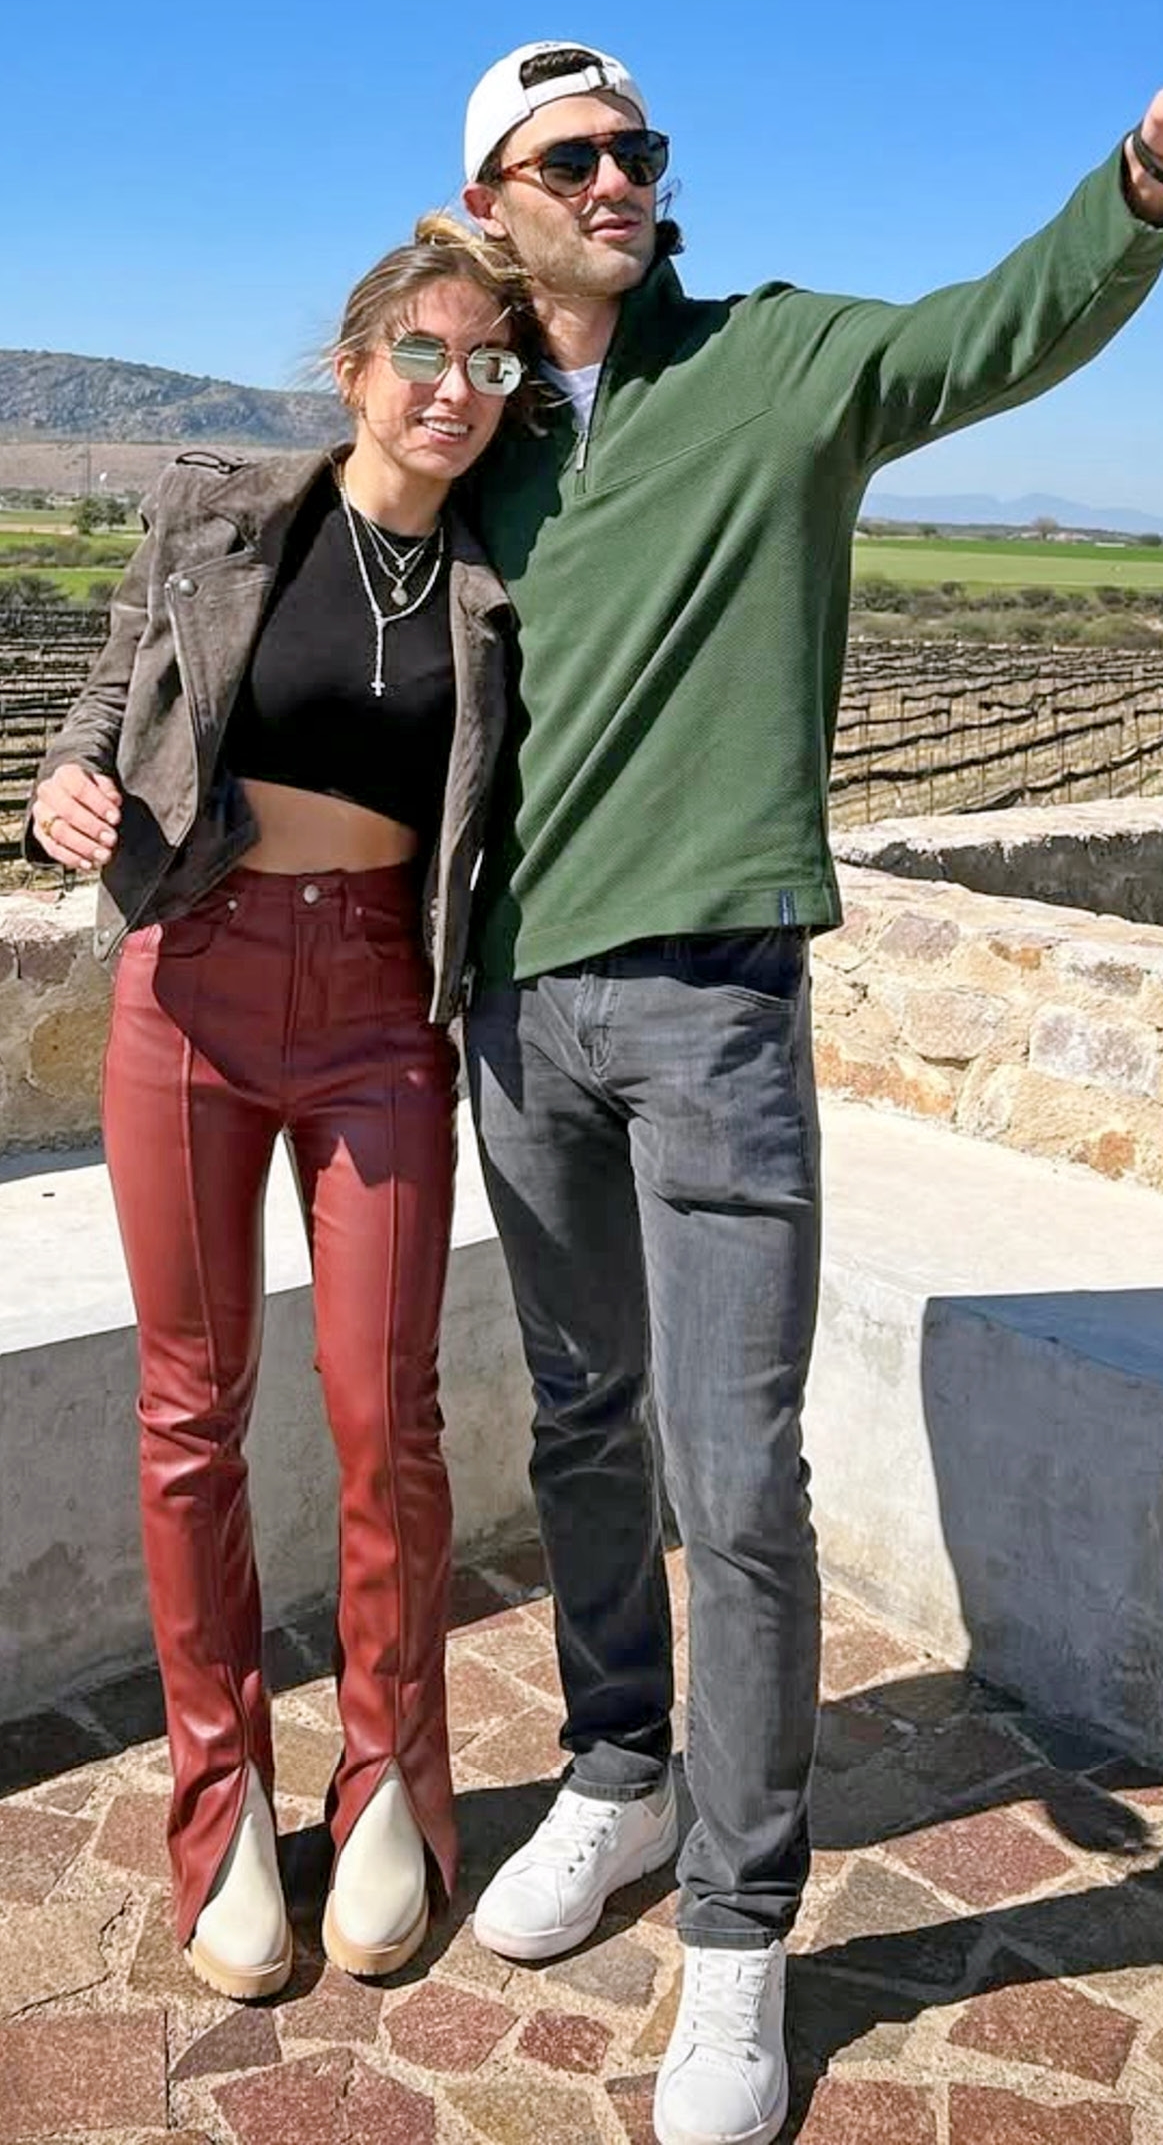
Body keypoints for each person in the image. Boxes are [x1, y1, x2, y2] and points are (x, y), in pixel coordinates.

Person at [454, 0, 1163, 2145]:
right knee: (580, 1425)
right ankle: (617, 1770)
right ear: (489, 201)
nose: (616, 179)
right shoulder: (470, 421)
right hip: (511, 1010)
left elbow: (993, 328)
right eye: (572, 157)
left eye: (638, 148)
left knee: (736, 1477)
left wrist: (1154, 177)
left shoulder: (778, 360)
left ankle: (739, 1935)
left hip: (712, 1005)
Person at [26, 218, 535, 1999]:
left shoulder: (503, 574)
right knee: (192, 1416)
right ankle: (220, 1795)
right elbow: (110, 698)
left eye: (491, 362)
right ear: (354, 365)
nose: (456, 388)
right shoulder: (221, 512)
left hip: (384, 1004)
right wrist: (65, 781)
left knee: (388, 1412)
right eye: (426, 352)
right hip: (193, 989)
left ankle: (391, 1774)